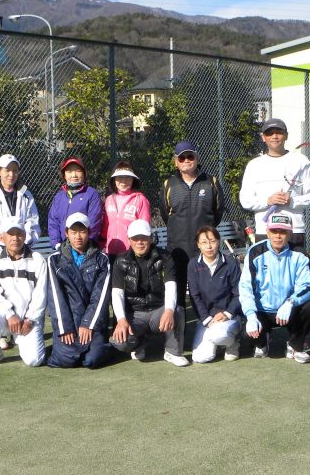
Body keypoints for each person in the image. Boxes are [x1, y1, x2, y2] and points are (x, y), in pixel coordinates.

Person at [238, 213, 310, 364]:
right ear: (267, 232)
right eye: (274, 231)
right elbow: (245, 287)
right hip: (263, 310)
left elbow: (308, 286)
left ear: (290, 233)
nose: (278, 236)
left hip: (288, 310)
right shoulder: (255, 252)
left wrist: (290, 302)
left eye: (283, 232)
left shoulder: (299, 253)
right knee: (247, 332)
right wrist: (251, 316)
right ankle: (263, 342)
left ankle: (295, 345)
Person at [110, 219, 190, 367]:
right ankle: (139, 343)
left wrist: (169, 310)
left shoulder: (165, 257)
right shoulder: (120, 261)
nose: (139, 242)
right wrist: (121, 320)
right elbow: (117, 293)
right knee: (118, 342)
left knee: (177, 310)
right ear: (129, 240)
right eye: (135, 238)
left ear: (151, 238)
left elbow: (171, 285)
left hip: (158, 310)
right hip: (134, 314)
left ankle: (172, 352)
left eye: (144, 238)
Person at [0, 217, 47, 367]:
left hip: (28, 321)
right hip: (5, 317)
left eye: (19, 234)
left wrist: (29, 319)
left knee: (34, 361)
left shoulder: (38, 260)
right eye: (10, 234)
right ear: (2, 237)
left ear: (25, 236)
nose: (15, 238)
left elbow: (41, 295)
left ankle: (21, 340)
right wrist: (10, 315)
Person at [239, 118, 310, 254]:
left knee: (296, 268)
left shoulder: (301, 161)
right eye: (269, 133)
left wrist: (292, 201)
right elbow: (245, 200)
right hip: (265, 231)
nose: (274, 136)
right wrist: (268, 201)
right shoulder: (254, 165)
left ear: (286, 136)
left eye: (279, 132)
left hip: (294, 231)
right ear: (263, 137)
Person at [159, 141, 224, 307]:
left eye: (190, 156)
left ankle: (207, 323)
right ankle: (180, 324)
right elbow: (166, 215)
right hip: (177, 250)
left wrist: (205, 237)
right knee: (178, 298)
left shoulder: (211, 182)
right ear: (176, 162)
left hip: (204, 250)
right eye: (182, 158)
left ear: (197, 158)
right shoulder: (169, 184)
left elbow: (217, 213)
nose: (186, 160)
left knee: (206, 296)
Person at [46, 212, 113, 369]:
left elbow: (100, 297)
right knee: (66, 360)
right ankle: (57, 346)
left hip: (92, 322)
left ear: (89, 232)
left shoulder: (102, 260)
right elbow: (56, 297)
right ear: (66, 233)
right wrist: (65, 328)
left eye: (82, 231)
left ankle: (105, 346)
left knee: (92, 360)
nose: (78, 236)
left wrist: (88, 324)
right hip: (69, 322)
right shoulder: (54, 260)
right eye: (73, 232)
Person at [187, 226, 242, 363]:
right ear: (198, 245)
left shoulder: (231, 263)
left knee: (218, 335)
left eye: (212, 241)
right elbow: (195, 296)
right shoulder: (193, 265)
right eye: (204, 242)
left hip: (230, 317)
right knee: (200, 358)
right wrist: (206, 319)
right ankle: (214, 340)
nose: (209, 246)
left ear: (219, 242)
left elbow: (239, 294)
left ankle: (232, 343)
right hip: (207, 319)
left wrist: (227, 313)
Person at [0, 154, 40, 261]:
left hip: (23, 251)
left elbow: (32, 222)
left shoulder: (27, 195)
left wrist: (21, 244)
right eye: (7, 170)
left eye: (15, 170)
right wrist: (6, 243)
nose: (11, 174)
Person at [48, 156, 103, 250]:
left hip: (85, 248)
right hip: (63, 248)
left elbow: (94, 222)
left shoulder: (92, 194)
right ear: (64, 175)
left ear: (84, 173)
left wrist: (87, 244)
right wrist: (57, 243)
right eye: (69, 171)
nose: (74, 175)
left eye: (78, 171)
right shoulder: (59, 197)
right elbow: (53, 221)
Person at [100, 161, 151, 259]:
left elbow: (144, 228)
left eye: (128, 177)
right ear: (114, 179)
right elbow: (105, 226)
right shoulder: (109, 200)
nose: (123, 181)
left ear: (133, 179)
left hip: (131, 254)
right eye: (119, 177)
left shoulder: (141, 200)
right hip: (110, 252)